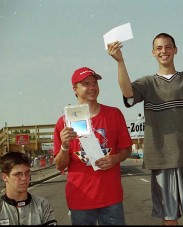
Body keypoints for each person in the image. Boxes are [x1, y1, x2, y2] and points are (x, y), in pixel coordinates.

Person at [107, 27, 183, 225]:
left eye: (168, 47)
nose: (164, 51)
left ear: (175, 50)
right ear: (153, 52)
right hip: (162, 159)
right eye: (159, 48)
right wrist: (120, 61)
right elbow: (128, 93)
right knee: (169, 217)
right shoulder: (148, 83)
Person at [53, 67, 133, 225]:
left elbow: (127, 149)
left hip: (111, 197)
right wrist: (64, 146)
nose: (92, 87)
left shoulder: (114, 114)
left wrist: (115, 158)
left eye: (94, 83)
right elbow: (59, 165)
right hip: (81, 199)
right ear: (75, 89)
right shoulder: (63, 122)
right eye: (86, 84)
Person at [0, 152, 57, 225]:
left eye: (27, 173)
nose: (24, 178)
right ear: (5, 177)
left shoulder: (42, 205)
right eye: (17, 174)